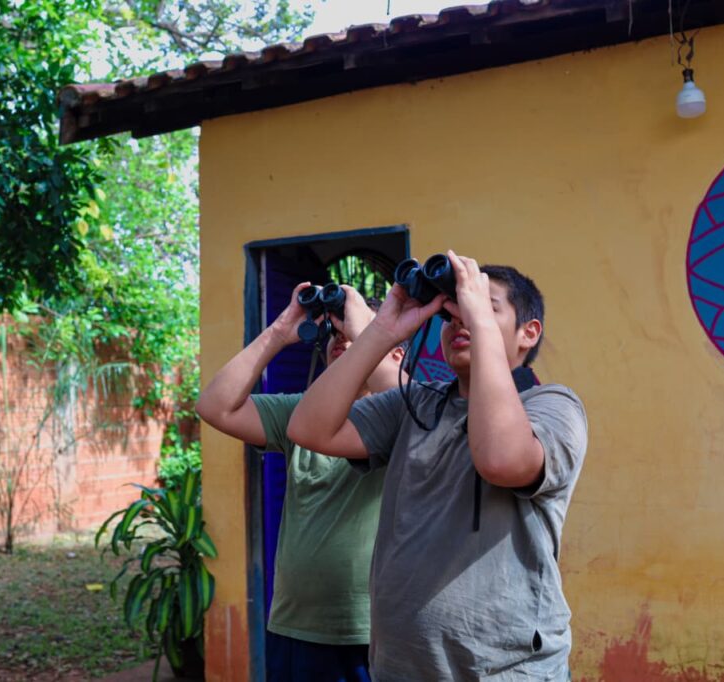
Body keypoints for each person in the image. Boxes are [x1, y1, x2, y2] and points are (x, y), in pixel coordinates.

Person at [286, 252, 588, 681]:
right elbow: (309, 427)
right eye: (451, 315)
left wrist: (475, 315)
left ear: (529, 333)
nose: (459, 321)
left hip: (504, 671)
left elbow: (501, 460)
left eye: (483, 307)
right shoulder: (418, 403)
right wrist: (383, 331)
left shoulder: (552, 406)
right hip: (401, 668)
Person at [195, 282, 405, 682]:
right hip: (296, 626)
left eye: (353, 336)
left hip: (375, 630)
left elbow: (421, 412)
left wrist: (369, 332)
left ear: (393, 354)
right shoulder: (300, 412)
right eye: (335, 337)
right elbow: (214, 406)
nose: (341, 342)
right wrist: (279, 330)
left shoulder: (408, 418)